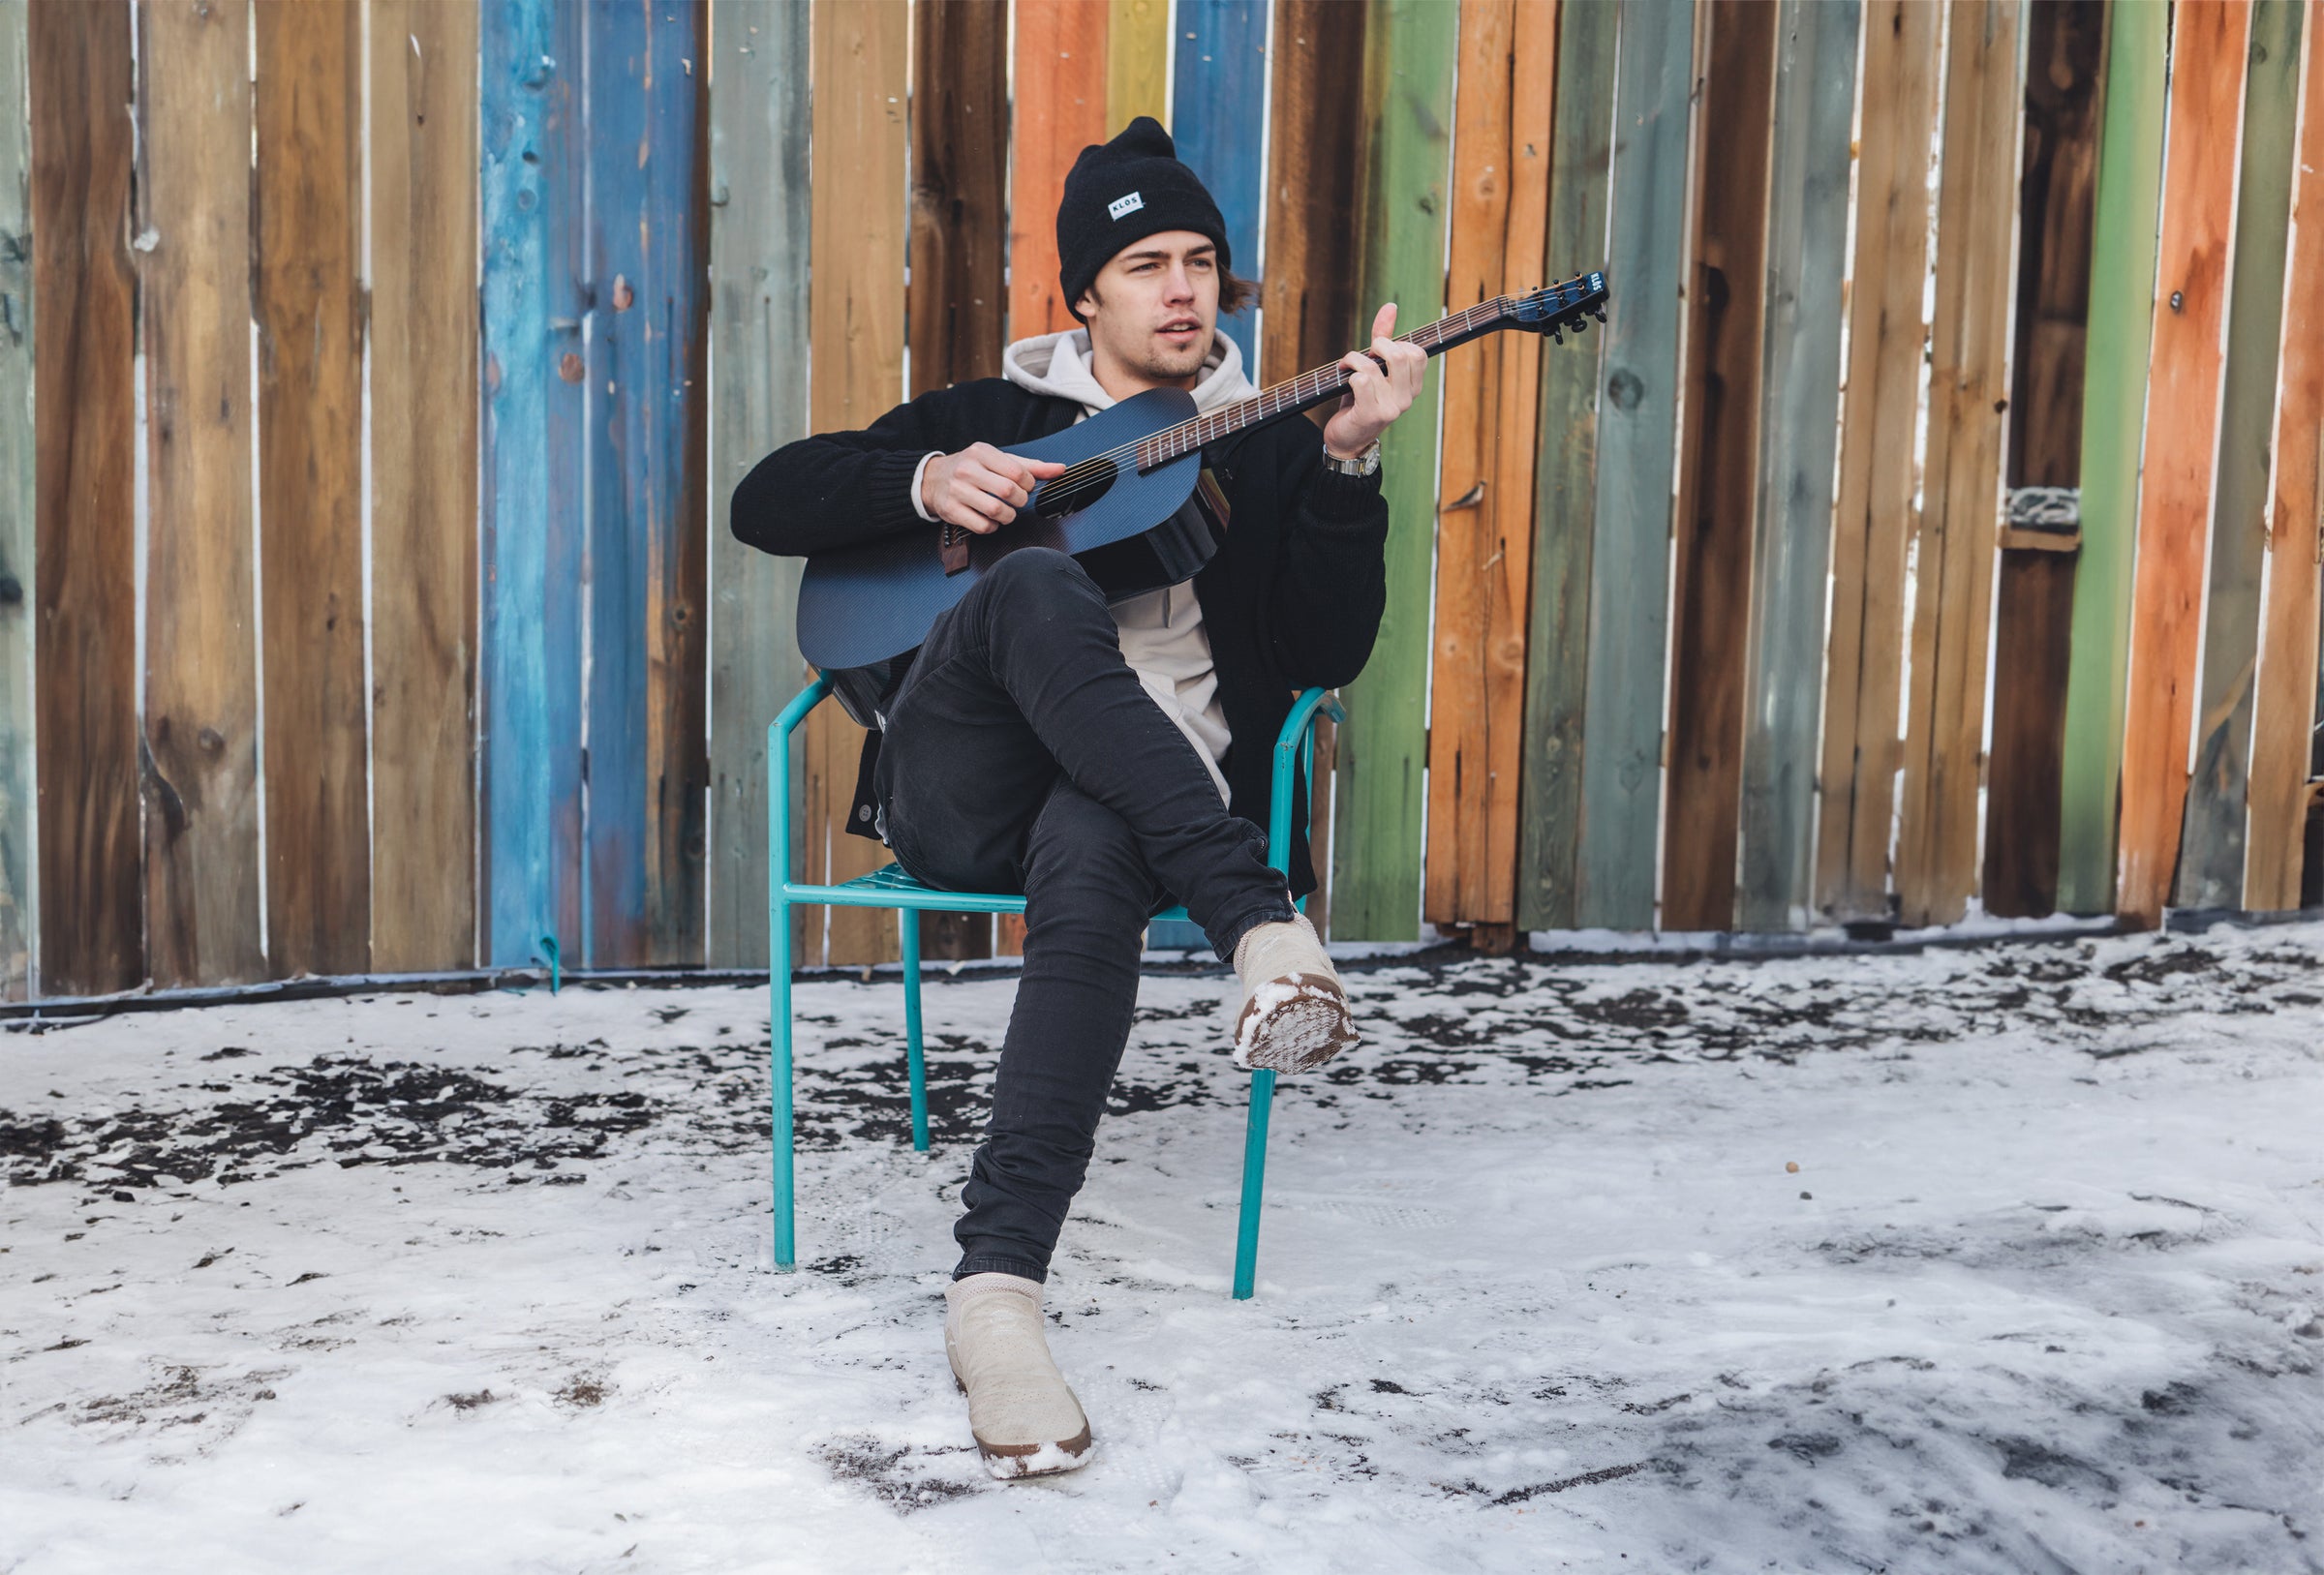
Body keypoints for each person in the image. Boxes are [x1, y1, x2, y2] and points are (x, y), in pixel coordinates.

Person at [730, 117, 1426, 1479]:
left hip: (1139, 812)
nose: (1181, 288)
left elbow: (1327, 654)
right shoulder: (988, 420)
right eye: (1146, 262)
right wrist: (922, 479)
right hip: (961, 787)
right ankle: (1261, 924)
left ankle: (995, 1298)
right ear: (1085, 295)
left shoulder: (1274, 435)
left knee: (1098, 831)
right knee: (1038, 580)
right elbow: (771, 499)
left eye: (1202, 262)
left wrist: (1345, 462)